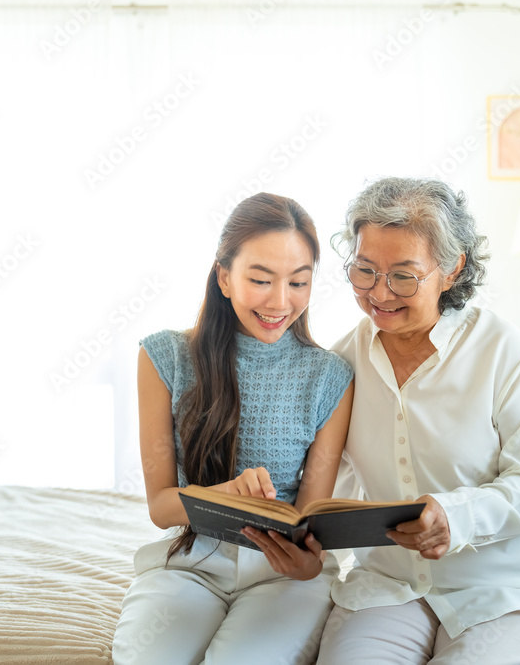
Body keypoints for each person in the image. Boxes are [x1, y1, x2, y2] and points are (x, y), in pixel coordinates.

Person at [317, 177, 520, 664]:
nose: (380, 292)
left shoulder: (506, 350)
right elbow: (327, 489)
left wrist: (454, 516)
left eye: (403, 275)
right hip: (387, 590)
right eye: (364, 270)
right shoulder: (340, 364)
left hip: (508, 594)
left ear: (452, 268)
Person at [111, 192, 355, 665]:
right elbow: (162, 507)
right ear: (224, 277)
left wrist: (307, 565)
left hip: (282, 575)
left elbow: (309, 520)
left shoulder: (330, 378)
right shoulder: (165, 358)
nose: (280, 302)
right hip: (191, 562)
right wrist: (223, 495)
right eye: (261, 280)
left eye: (299, 282)